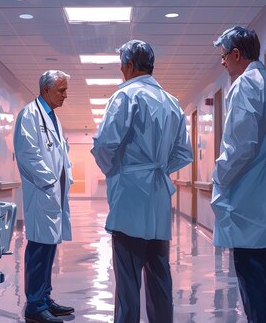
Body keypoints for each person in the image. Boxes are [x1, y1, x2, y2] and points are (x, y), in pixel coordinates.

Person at [91, 40, 193, 323]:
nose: (121, 71)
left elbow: (105, 144)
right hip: (159, 197)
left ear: (131, 65)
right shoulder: (172, 102)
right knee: (160, 276)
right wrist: (158, 168)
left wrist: (118, 171)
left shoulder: (125, 97)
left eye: (122, 65)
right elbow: (185, 153)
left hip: (129, 197)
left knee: (128, 280)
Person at [211, 26, 266, 323]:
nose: (222, 63)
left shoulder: (246, 85)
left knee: (254, 283)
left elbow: (240, 146)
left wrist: (218, 175)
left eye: (224, 56)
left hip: (250, 205)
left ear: (236, 54)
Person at [14, 70, 75, 323]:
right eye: (61, 90)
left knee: (49, 248)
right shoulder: (29, 115)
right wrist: (50, 182)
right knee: (39, 248)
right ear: (46, 90)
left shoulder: (53, 118)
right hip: (42, 192)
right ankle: (34, 305)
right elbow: (27, 153)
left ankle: (45, 297)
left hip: (53, 193)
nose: (65, 95)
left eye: (65, 90)